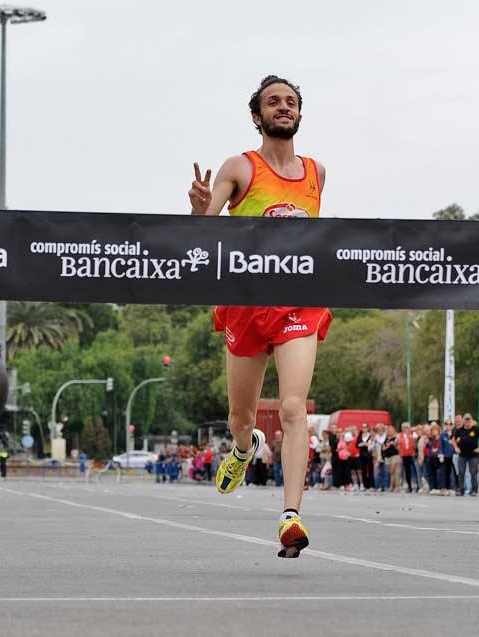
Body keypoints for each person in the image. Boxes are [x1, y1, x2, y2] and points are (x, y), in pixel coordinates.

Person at [189, 75, 329, 557]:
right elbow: (203, 238)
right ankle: (242, 452)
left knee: (294, 409)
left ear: (300, 114)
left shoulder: (317, 172)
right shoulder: (240, 168)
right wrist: (199, 212)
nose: (283, 108)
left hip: (298, 305)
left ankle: (291, 517)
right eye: (274, 102)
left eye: (291, 102)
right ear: (257, 116)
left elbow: (314, 244)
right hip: (247, 305)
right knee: (241, 417)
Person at [452, 415, 479, 496]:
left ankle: (474, 490)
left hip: (473, 455)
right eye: (466, 420)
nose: (467, 422)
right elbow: (453, 440)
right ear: (463, 421)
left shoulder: (475, 429)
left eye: (468, 420)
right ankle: (461, 490)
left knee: (473, 472)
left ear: (471, 420)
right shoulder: (459, 430)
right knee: (461, 472)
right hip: (462, 454)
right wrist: (456, 447)